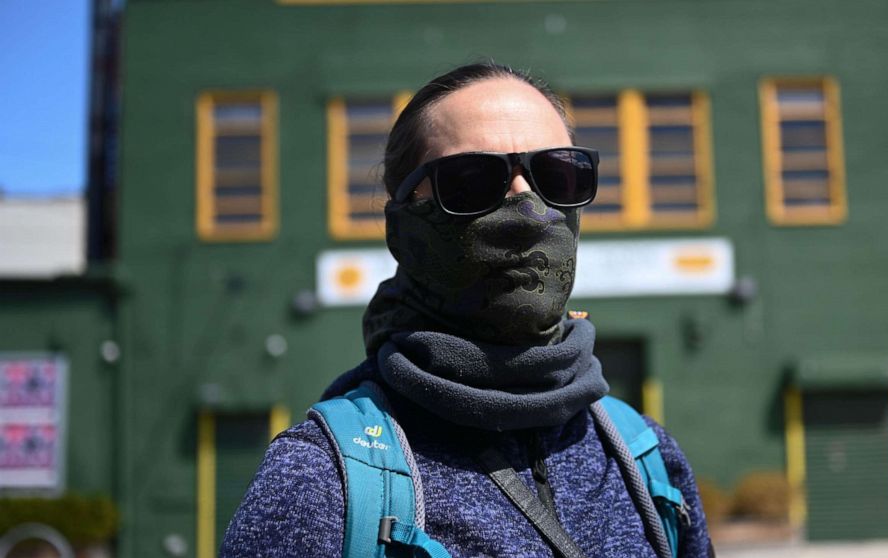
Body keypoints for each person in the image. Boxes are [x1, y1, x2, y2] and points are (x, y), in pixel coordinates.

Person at [221, 62, 713, 558]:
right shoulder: (322, 481)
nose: (526, 203)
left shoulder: (645, 461)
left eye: (557, 174)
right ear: (403, 227)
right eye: (473, 179)